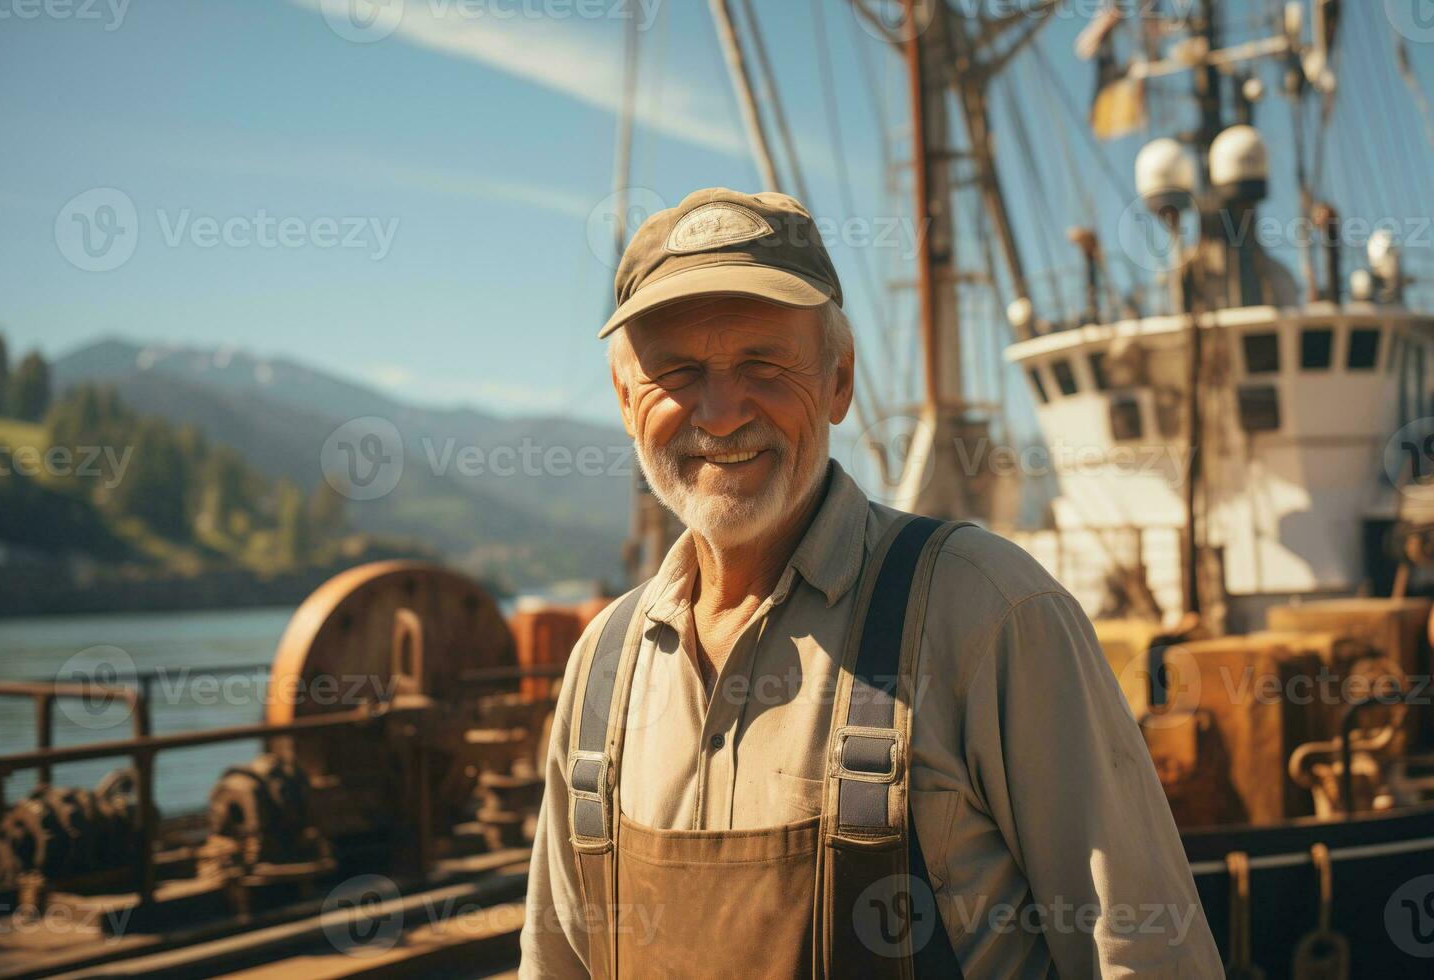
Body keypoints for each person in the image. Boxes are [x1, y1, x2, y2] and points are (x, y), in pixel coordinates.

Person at [520, 188, 1221, 978]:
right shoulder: (601, 669)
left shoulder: (986, 611)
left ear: (840, 380)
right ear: (624, 401)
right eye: (677, 372)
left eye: (763, 362)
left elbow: (1143, 954)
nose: (718, 413)